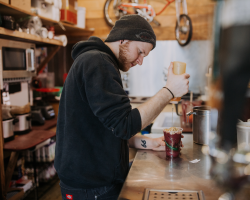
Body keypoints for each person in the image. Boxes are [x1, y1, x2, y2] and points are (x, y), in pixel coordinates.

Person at [54, 15, 190, 200]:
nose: (140, 61)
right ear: (123, 38)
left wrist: (146, 142)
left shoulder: (98, 62)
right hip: (91, 188)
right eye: (140, 52)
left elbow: (109, 128)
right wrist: (169, 91)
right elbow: (124, 124)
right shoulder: (98, 62)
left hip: (94, 183)